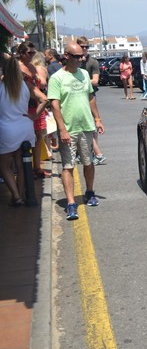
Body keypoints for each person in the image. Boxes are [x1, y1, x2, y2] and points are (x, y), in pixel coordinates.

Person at [47, 42, 105, 220]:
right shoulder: (57, 78)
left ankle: (89, 192)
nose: (81, 59)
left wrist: (97, 119)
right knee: (68, 166)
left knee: (89, 162)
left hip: (86, 126)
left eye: (83, 56)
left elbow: (90, 97)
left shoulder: (84, 74)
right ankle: (71, 203)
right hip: (69, 130)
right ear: (66, 56)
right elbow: (55, 105)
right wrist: (62, 129)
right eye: (77, 56)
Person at [0, 55, 48, 206]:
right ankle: (20, 194)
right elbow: (44, 99)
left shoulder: (1, 86)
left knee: (4, 166)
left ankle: (16, 196)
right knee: (22, 164)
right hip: (25, 126)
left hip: (7, 128)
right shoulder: (26, 85)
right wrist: (34, 116)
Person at [17, 41, 50, 179]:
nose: (32, 55)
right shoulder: (16, 67)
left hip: (36, 106)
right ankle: (26, 169)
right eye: (29, 53)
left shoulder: (32, 67)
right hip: (22, 107)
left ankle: (37, 167)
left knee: (38, 137)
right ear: (22, 53)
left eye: (33, 53)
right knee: (24, 140)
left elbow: (41, 84)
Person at [76, 36, 106, 165]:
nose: (84, 49)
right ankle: (83, 152)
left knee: (91, 125)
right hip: (75, 96)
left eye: (86, 47)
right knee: (79, 124)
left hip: (90, 95)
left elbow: (95, 81)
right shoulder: (72, 61)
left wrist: (78, 81)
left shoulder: (93, 62)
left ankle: (95, 153)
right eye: (82, 47)